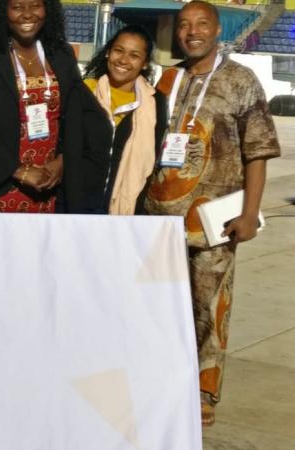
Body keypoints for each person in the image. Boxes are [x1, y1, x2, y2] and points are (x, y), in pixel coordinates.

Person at [144, 1, 280, 426]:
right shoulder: (168, 78)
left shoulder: (241, 80)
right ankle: (165, 379)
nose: (192, 32)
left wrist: (250, 213)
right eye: (184, 25)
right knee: (162, 306)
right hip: (159, 220)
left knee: (208, 308)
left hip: (213, 223)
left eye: (201, 24)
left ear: (218, 30)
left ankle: (204, 391)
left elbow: (257, 152)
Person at [0, 0, 79, 213]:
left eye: (35, 6)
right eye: (17, 7)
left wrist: (63, 160)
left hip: (48, 188)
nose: (27, 14)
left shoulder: (62, 53)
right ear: (3, 11)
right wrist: (18, 170)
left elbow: (76, 115)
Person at [63, 25, 167, 214]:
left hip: (126, 207)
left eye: (134, 55)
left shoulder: (154, 102)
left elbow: (151, 158)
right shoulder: (85, 92)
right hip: (78, 203)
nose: (124, 60)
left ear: (144, 63)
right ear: (108, 53)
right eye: (119, 51)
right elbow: (70, 151)